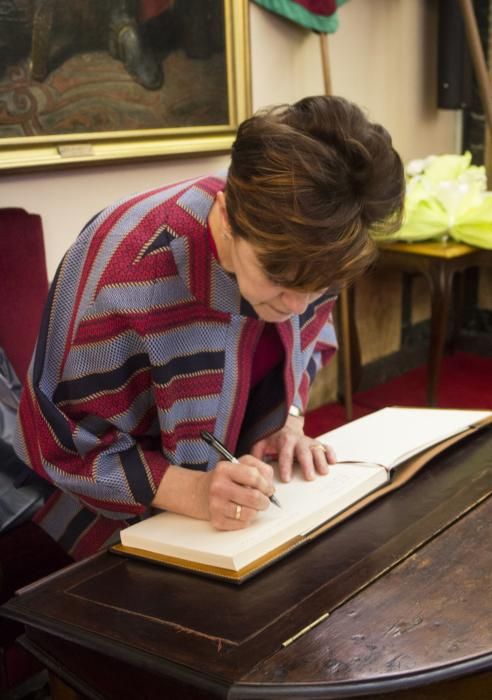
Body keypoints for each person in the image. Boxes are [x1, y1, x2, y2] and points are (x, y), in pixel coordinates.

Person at [13, 95, 405, 561]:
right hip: (111, 525)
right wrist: (194, 492)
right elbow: (55, 440)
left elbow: (307, 335)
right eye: (280, 279)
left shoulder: (317, 238)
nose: (299, 304)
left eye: (321, 286)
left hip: (240, 510)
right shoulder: (124, 269)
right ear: (224, 218)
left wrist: (290, 420)